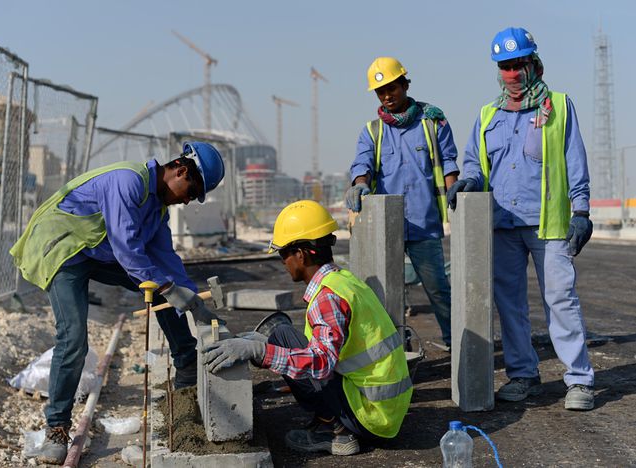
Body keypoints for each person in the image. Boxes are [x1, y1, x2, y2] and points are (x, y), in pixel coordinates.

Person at [10, 141, 226, 464]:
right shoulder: (129, 182)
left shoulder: (158, 211)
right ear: (180, 170)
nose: (187, 201)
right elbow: (127, 249)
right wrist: (168, 288)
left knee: (159, 285)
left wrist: (193, 301)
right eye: (191, 192)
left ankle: (186, 363)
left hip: (94, 249)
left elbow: (166, 261)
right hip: (63, 247)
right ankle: (56, 429)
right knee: (73, 339)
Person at [447, 27, 595, 410]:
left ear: (533, 63)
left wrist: (581, 211)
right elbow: (476, 165)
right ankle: (523, 375)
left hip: (549, 225)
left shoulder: (559, 106)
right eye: (505, 67)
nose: (512, 74)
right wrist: (466, 182)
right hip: (502, 225)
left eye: (518, 65)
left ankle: (579, 381)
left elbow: (575, 162)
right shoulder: (488, 114)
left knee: (560, 299)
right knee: (509, 304)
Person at [202, 200, 412, 456]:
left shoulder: (326, 297)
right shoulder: (343, 280)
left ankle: (335, 430)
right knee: (280, 334)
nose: (283, 262)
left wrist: (260, 352)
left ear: (300, 254)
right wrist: (264, 342)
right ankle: (333, 421)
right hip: (386, 408)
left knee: (285, 346)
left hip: (370, 416)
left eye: (283, 254)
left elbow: (321, 363)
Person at [345, 57, 458, 348]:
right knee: (387, 294)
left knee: (438, 290)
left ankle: (456, 343)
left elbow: (448, 163)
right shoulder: (372, 131)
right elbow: (362, 164)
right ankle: (394, 348)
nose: (387, 96)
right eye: (380, 91)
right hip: (387, 227)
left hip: (424, 224)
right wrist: (359, 185)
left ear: (405, 84)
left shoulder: (432, 122)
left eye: (392, 88)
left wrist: (458, 196)